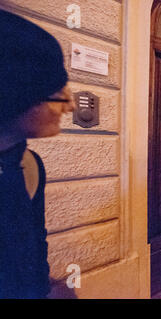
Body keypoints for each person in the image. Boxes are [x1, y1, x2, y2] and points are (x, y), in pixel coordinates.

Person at [0, 10, 75, 298]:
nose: (68, 108)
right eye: (59, 96)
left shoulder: (29, 166)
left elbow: (33, 243)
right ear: (20, 96)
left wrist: (44, 289)